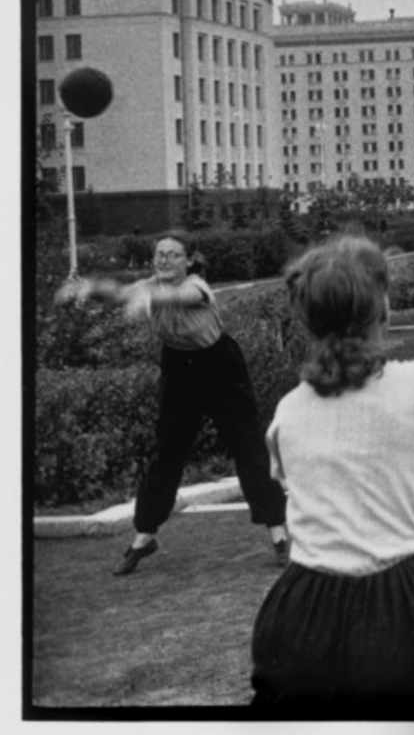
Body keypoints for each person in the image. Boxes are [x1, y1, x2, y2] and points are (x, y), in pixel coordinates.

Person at [250, 235, 414, 715]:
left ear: (307, 320)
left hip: (300, 611)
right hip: (404, 602)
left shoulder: (287, 411)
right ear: (384, 308)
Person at [55, 231, 289, 576]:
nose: (163, 260)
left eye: (173, 254)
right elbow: (119, 292)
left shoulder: (197, 286)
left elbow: (179, 296)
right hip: (180, 370)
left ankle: (279, 533)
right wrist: (87, 288)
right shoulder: (150, 284)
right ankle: (144, 536)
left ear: (189, 260)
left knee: (248, 447)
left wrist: (148, 299)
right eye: (159, 254)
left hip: (220, 367)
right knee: (167, 453)